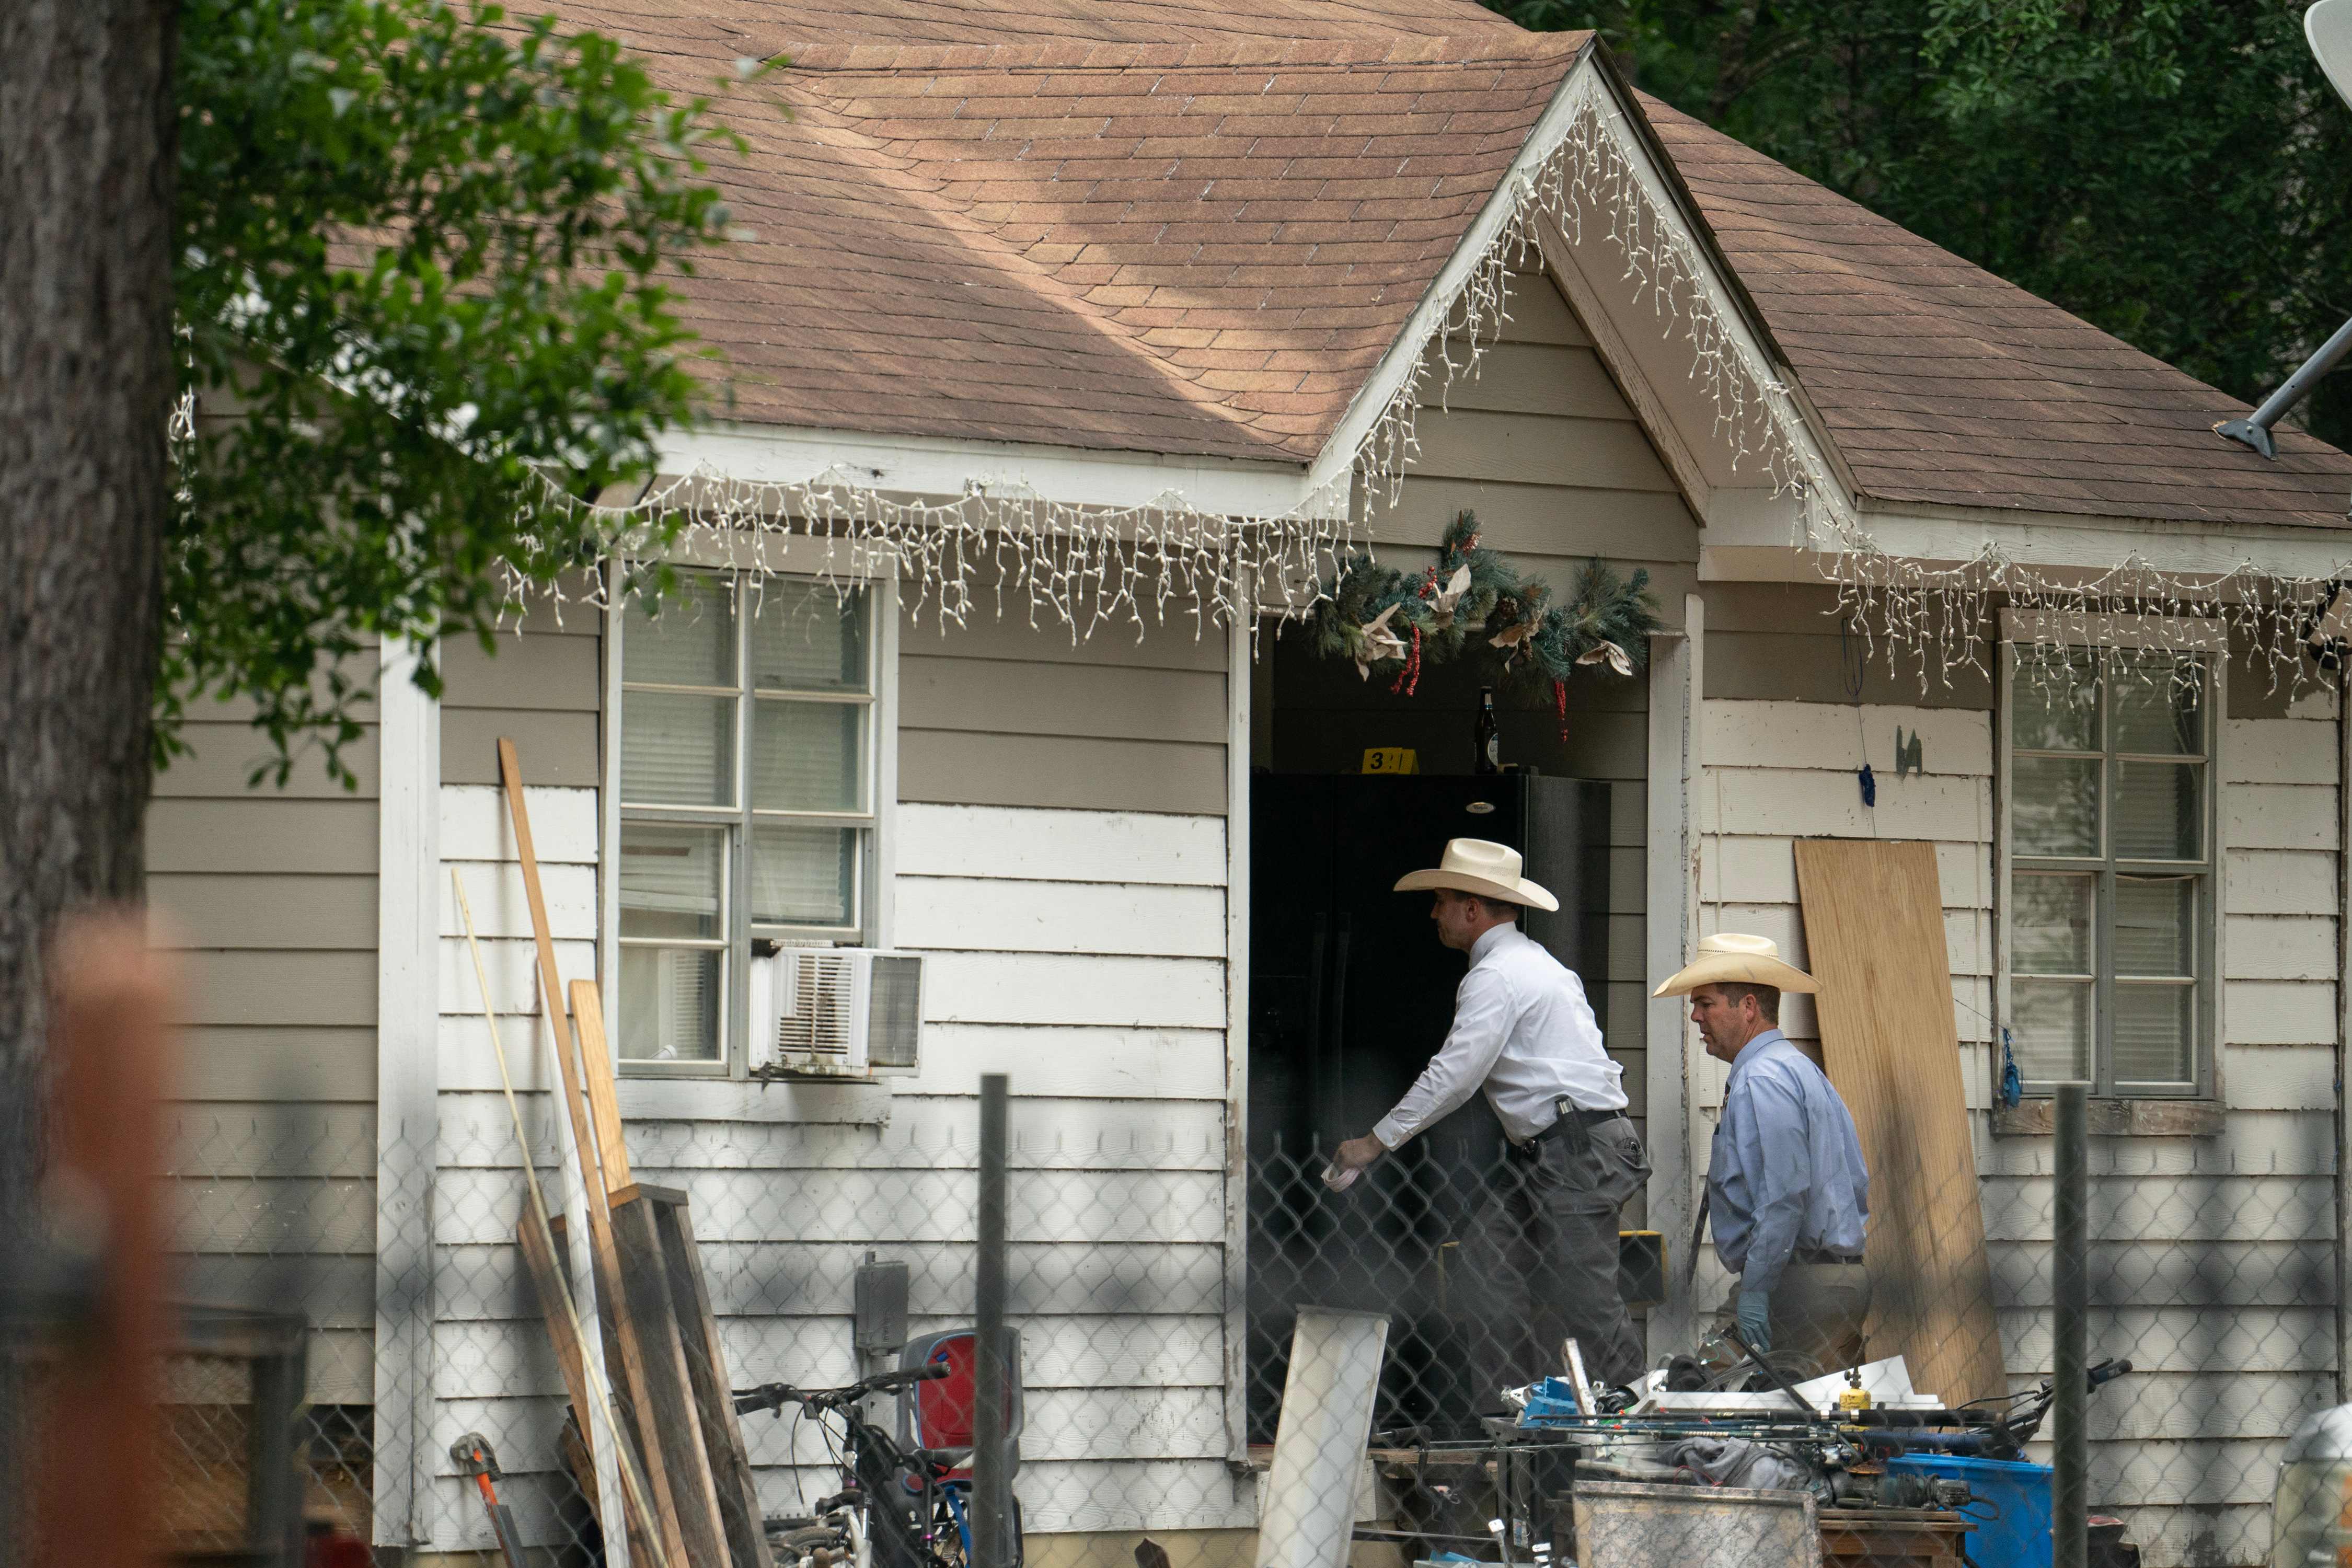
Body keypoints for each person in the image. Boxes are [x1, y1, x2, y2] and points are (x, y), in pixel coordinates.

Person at [1328, 838, 1648, 1394]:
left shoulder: (1497, 976)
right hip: (1558, 1149)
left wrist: (1375, 1143)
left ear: (1471, 910)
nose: (1434, 913)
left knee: (1588, 1303)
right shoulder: (1530, 964)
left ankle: (1643, 1424)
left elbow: (1455, 1075)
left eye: (1442, 901)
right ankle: (1518, 1413)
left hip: (1573, 1151)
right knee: (1485, 1266)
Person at [1653, 932, 1871, 1375]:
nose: (1695, 1016)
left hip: (1795, 1285)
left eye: (1706, 1003)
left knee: (1708, 1395)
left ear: (1748, 1007)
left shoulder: (1763, 1079)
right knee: (1811, 1422)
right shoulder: (1796, 1068)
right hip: (1824, 1279)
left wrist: (1756, 1288)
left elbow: (1784, 1194)